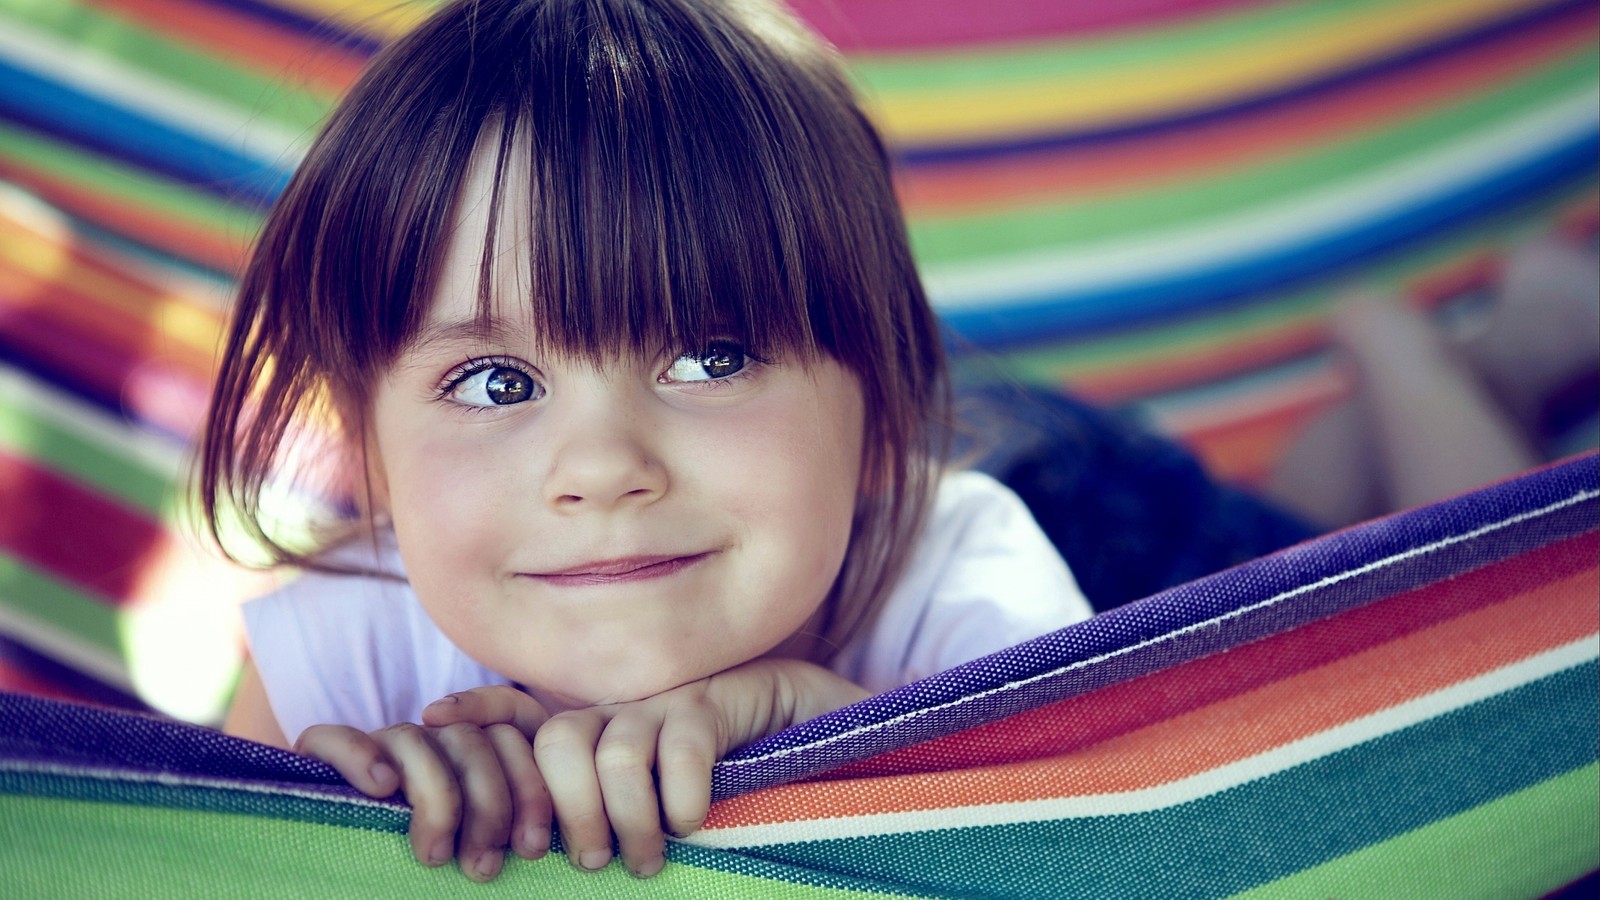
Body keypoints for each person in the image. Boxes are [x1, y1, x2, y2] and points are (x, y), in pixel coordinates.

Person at [201, 0, 1093, 883]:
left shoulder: (965, 587)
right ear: (370, 459)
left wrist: (835, 734)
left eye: (712, 357)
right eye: (496, 383)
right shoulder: (343, 654)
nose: (601, 469)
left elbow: (1107, 861)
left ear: (885, 421)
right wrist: (347, 845)